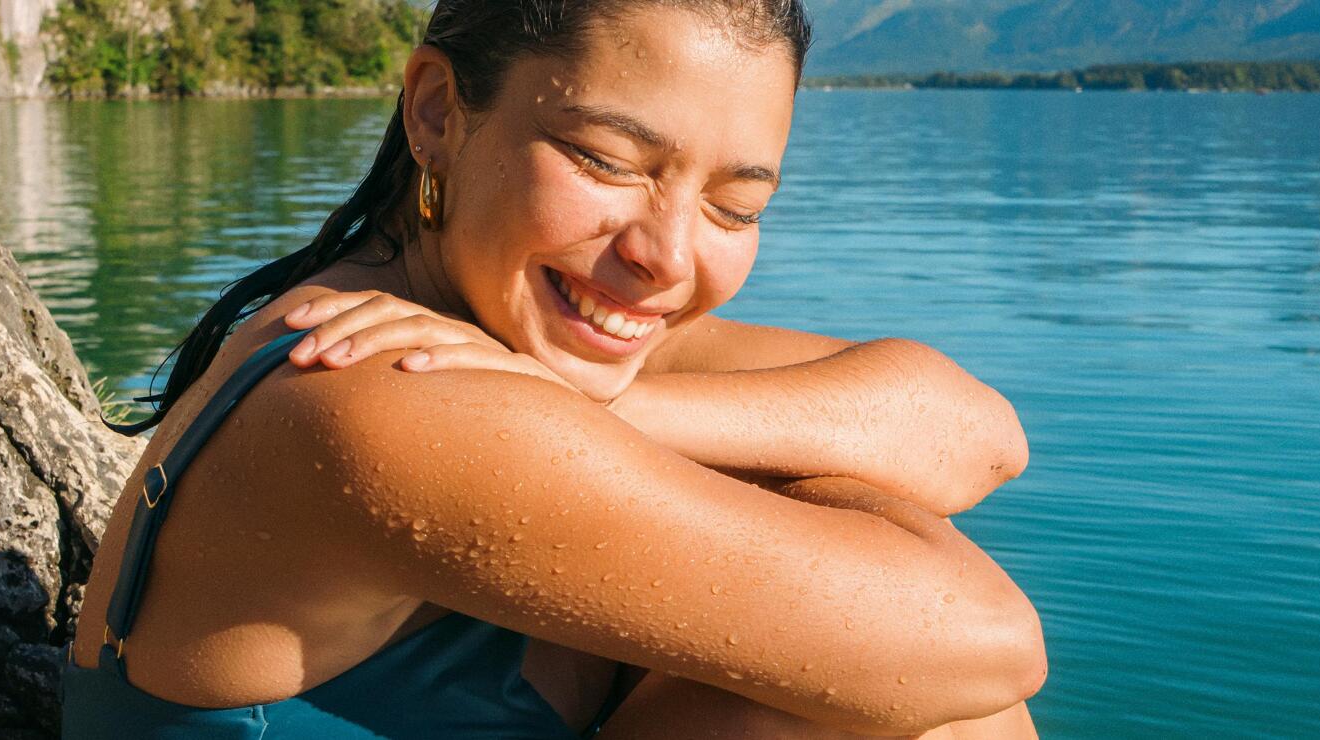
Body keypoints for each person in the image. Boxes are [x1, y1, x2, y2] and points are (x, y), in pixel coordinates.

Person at [65, 1, 1047, 737]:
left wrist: (601, 403)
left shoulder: (518, 325)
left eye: (734, 207)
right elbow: (992, 638)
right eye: (606, 159)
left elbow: (975, 431)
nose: (666, 257)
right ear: (438, 112)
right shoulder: (375, 396)